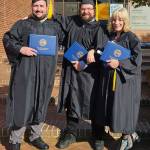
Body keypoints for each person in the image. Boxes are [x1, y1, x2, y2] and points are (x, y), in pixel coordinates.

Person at [2, 0, 63, 150]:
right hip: (25, 71)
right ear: (32, 7)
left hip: (46, 72)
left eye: (42, 6)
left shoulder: (54, 26)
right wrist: (20, 49)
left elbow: (67, 38)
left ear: (47, 8)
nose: (38, 9)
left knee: (41, 102)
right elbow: (7, 39)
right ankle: (15, 139)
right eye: (36, 6)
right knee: (23, 102)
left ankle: (35, 136)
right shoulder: (22, 24)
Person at [55, 0, 108, 149]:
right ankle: (70, 133)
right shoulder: (72, 22)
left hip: (92, 75)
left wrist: (91, 53)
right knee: (73, 101)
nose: (86, 11)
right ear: (80, 9)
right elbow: (52, 17)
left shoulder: (101, 26)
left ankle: (98, 135)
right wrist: (30, 16)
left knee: (95, 102)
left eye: (89, 8)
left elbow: (103, 48)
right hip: (73, 72)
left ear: (94, 10)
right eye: (83, 8)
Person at [91, 7, 142, 150]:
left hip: (124, 81)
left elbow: (136, 60)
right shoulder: (111, 36)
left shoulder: (131, 37)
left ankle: (127, 137)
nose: (116, 22)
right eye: (114, 19)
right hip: (110, 80)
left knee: (124, 109)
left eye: (120, 19)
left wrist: (119, 63)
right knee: (113, 109)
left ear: (125, 21)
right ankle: (129, 134)